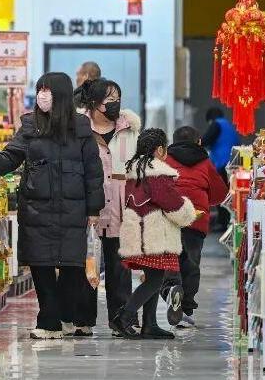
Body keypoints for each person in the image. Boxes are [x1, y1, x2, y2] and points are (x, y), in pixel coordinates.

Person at [0, 72, 105, 339]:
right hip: (36, 208)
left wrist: (94, 209)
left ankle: (64, 317)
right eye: (40, 89)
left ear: (61, 95)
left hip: (73, 210)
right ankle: (48, 322)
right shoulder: (30, 125)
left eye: (48, 90)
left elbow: (93, 172)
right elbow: (12, 155)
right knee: (40, 266)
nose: (42, 95)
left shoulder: (81, 128)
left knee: (71, 267)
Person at [113, 128, 200, 340]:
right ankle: (123, 317)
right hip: (155, 234)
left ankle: (149, 324)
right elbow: (171, 203)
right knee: (155, 279)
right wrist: (189, 212)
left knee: (153, 275)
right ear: (160, 150)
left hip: (138, 232)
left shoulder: (135, 171)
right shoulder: (157, 174)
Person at [76, 78, 141, 336]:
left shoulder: (129, 129)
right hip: (87, 205)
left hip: (121, 206)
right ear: (94, 102)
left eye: (117, 99)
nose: (115, 104)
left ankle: (121, 319)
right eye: (109, 99)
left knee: (120, 266)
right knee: (86, 262)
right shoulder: (78, 128)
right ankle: (82, 320)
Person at [159, 126, 228, 328]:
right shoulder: (206, 162)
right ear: (198, 142)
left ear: (172, 141)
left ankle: (171, 289)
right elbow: (219, 194)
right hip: (195, 219)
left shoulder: (165, 159)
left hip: (170, 217)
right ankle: (186, 308)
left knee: (169, 259)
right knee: (191, 262)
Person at [201, 106, 240, 229]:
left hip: (223, 163)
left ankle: (223, 222)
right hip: (233, 163)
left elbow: (206, 140)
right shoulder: (228, 125)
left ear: (210, 119)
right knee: (230, 193)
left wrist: (195, 144)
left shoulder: (216, 124)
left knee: (221, 193)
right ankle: (228, 221)